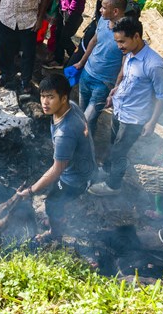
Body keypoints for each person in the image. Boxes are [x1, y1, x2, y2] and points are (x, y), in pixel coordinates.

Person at [88, 17, 163, 196]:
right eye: (117, 41)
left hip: (134, 118)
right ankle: (108, 170)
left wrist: (152, 122)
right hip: (119, 110)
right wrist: (115, 91)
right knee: (113, 144)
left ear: (137, 36)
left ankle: (113, 186)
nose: (119, 46)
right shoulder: (129, 53)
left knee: (119, 152)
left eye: (122, 41)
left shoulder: (154, 65)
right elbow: (126, 77)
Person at [16, 73, 96, 241]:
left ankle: (55, 234)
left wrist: (31, 191)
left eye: (50, 97)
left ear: (63, 98)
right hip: (83, 166)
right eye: (43, 96)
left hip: (75, 179)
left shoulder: (64, 133)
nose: (44, 102)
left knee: (51, 203)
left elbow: (56, 171)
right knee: (55, 197)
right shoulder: (72, 106)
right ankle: (58, 217)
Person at [73, 0, 127, 136]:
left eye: (103, 7)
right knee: (81, 114)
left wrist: (116, 88)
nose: (100, 10)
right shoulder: (103, 21)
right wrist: (81, 62)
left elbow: (124, 63)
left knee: (88, 119)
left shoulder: (126, 32)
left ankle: (85, 150)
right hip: (87, 74)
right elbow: (94, 41)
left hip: (103, 84)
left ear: (115, 11)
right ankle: (84, 141)